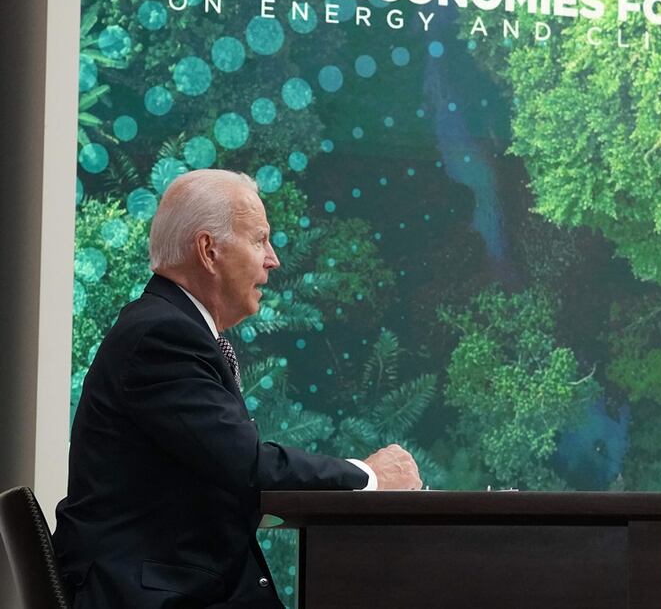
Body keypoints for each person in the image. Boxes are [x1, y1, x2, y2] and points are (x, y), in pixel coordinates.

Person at [52, 170, 422, 608]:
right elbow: (248, 464)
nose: (273, 259)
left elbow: (223, 471)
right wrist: (371, 476)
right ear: (209, 251)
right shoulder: (162, 335)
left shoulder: (167, 326)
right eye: (260, 240)